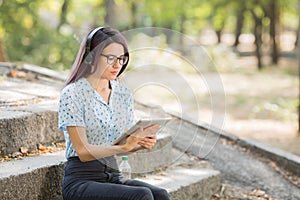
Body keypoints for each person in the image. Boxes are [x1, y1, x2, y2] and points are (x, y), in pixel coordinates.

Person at [58, 27, 171, 200]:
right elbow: (82, 150)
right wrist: (124, 147)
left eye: (121, 58)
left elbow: (122, 144)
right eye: (110, 58)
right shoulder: (73, 93)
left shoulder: (123, 94)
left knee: (160, 195)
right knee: (142, 195)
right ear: (92, 57)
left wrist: (140, 143)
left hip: (112, 176)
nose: (117, 64)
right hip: (81, 180)